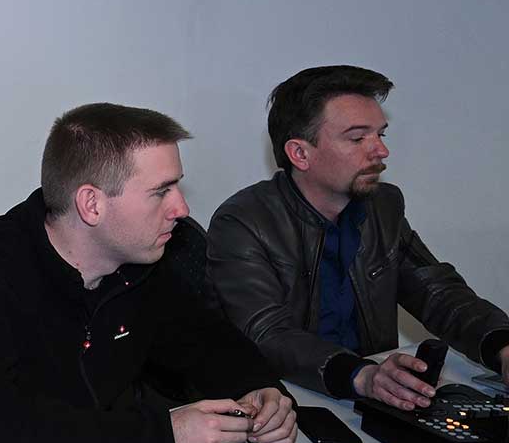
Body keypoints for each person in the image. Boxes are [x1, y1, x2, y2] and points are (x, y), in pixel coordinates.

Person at [0, 102, 296, 443]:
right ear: (92, 204)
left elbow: (206, 342)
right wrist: (162, 438)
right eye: (161, 191)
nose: (181, 209)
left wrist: (259, 389)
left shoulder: (144, 263)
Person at [208, 65, 509, 409]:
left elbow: (436, 292)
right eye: (357, 138)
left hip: (373, 395)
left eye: (381, 135)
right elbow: (268, 333)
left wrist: (503, 346)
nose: (381, 151)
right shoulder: (244, 221)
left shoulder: (382, 206)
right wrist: (363, 376)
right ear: (300, 154)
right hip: (287, 400)